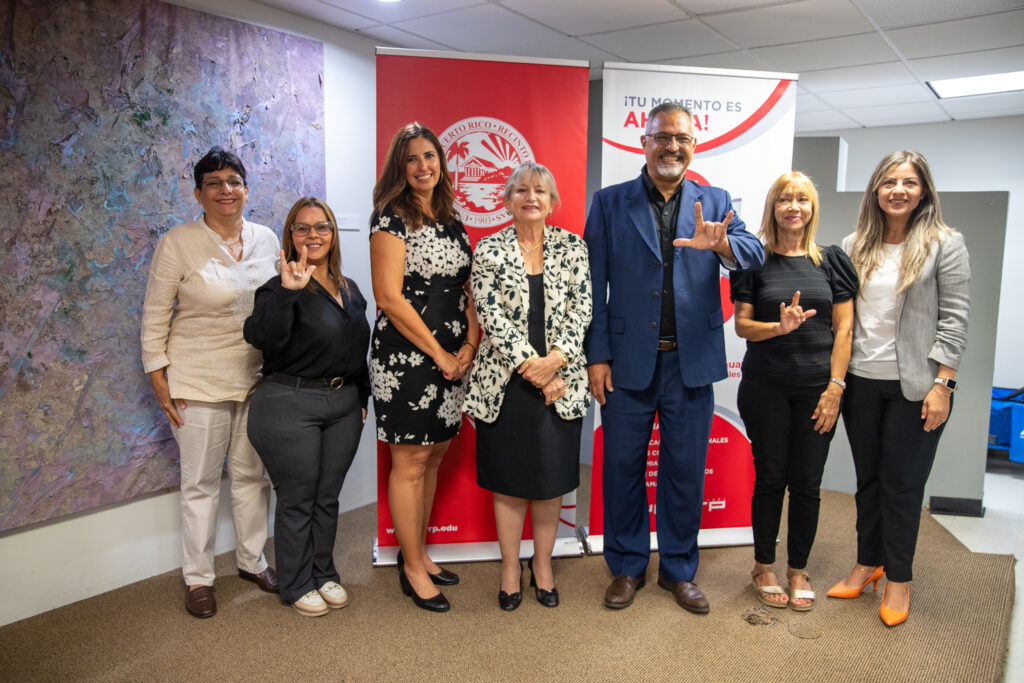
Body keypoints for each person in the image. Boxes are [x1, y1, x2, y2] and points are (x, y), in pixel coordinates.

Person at [584, 102, 765, 613]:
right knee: (622, 468)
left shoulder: (717, 200)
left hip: (692, 363)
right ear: (644, 142)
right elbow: (594, 285)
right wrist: (597, 355)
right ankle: (626, 567)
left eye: (682, 139)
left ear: (693, 145)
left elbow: (755, 253)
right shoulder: (610, 202)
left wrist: (723, 243)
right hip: (627, 362)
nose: (672, 147)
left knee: (684, 471)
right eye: (663, 137)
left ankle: (680, 571)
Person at [827, 150, 970, 626]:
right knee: (867, 482)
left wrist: (943, 384)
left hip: (918, 387)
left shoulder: (945, 243)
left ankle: (899, 580)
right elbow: (843, 315)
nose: (898, 190)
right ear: (876, 190)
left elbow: (954, 319)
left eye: (908, 182)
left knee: (903, 487)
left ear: (923, 190)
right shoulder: (853, 244)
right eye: (889, 182)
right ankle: (869, 563)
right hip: (863, 384)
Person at [140, 146, 279, 618]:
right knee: (200, 483)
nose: (226, 190)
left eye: (234, 181)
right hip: (196, 381)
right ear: (199, 193)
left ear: (246, 189)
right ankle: (198, 578)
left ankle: (251, 560)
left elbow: (280, 308)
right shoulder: (178, 242)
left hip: (257, 379)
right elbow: (156, 314)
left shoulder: (266, 239)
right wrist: (158, 375)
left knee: (251, 477)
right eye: (215, 182)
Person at [464, 162, 592, 611]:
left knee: (550, 481)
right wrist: (533, 367)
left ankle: (542, 565)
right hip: (505, 384)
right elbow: (489, 313)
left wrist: (555, 361)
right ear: (506, 201)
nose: (530, 197)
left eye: (539, 190)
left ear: (552, 202)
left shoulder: (574, 247)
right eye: (521, 190)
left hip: (563, 382)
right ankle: (508, 567)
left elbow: (583, 309)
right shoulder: (489, 249)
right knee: (510, 482)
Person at [730, 172, 857, 612]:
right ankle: (763, 565)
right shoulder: (753, 260)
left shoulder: (832, 260)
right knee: (770, 478)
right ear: (773, 208)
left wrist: (835, 389)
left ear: (811, 208)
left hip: (817, 391)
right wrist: (778, 327)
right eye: (784, 199)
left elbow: (845, 329)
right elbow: (742, 325)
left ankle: (797, 569)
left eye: (802, 198)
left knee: (807, 483)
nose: (793, 206)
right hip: (765, 387)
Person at [369, 123, 478, 613]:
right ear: (400, 166)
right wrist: (438, 354)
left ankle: (420, 552)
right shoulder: (390, 218)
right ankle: (410, 565)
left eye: (430, 156)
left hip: (453, 359)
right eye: (412, 159)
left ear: (441, 161)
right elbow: (389, 297)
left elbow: (468, 292)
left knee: (433, 454)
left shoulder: (454, 219)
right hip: (407, 357)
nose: (423, 166)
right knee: (409, 460)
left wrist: (468, 349)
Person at [244, 197, 370, 617]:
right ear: (290, 236)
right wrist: (287, 292)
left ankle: (323, 571)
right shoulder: (278, 286)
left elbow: (357, 348)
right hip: (289, 403)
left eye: (322, 227)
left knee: (326, 496)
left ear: (333, 235)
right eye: (302, 228)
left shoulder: (349, 288)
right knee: (298, 497)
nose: (313, 235)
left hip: (343, 405)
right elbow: (260, 336)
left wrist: (362, 398)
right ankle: (296, 582)